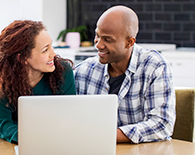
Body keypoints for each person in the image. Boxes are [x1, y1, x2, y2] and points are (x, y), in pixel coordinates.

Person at [74, 6, 176, 144]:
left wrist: (105, 136)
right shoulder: (85, 70)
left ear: (130, 42)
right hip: (97, 153)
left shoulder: (154, 66)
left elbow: (162, 124)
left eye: (107, 40)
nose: (98, 45)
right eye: (97, 35)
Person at [0, 20, 76, 143]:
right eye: (45, 50)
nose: (53, 53)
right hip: (10, 144)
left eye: (51, 46)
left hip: (54, 142)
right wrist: (31, 138)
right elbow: (1, 123)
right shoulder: (2, 79)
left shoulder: (63, 72)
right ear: (23, 58)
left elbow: (69, 119)